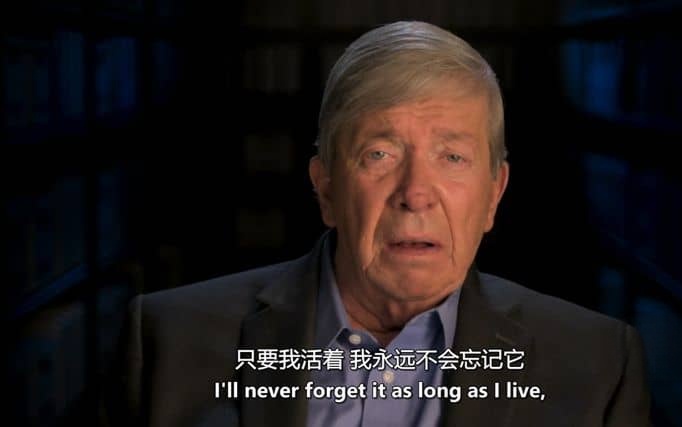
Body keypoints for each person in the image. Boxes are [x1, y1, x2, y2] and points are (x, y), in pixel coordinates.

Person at [106, 21, 651, 427]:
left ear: (493, 194)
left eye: (452, 157)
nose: (415, 194)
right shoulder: (165, 344)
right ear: (326, 189)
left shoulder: (599, 368)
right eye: (379, 155)